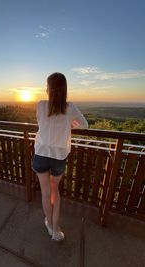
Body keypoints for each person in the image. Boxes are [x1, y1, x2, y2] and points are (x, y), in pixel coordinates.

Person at [32, 72, 88, 241]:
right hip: (58, 156)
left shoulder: (41, 105)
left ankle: (49, 224)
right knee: (55, 193)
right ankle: (56, 231)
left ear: (48, 88)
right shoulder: (70, 108)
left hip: (41, 153)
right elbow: (85, 125)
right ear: (64, 89)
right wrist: (69, 125)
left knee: (45, 193)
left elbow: (41, 124)